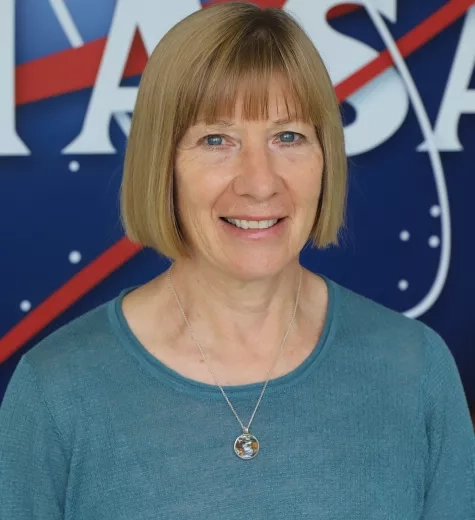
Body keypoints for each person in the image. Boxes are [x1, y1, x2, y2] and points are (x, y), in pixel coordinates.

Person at [1, 3, 474, 519]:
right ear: (163, 165)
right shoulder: (55, 392)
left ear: (325, 157)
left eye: (287, 136)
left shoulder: (417, 369)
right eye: (216, 140)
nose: (259, 182)